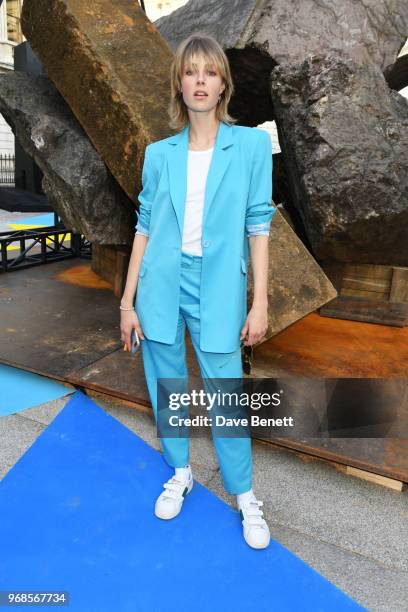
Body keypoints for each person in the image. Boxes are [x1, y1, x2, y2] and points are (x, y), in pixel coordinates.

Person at [120, 33, 276, 550]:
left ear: (223, 83)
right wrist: (127, 301)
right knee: (167, 382)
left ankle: (245, 495)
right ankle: (180, 470)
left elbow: (258, 225)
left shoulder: (252, 146)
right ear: (180, 84)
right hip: (161, 283)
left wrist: (260, 300)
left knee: (225, 390)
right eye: (191, 72)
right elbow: (143, 225)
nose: (201, 81)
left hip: (219, 285)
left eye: (210, 71)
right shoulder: (158, 154)